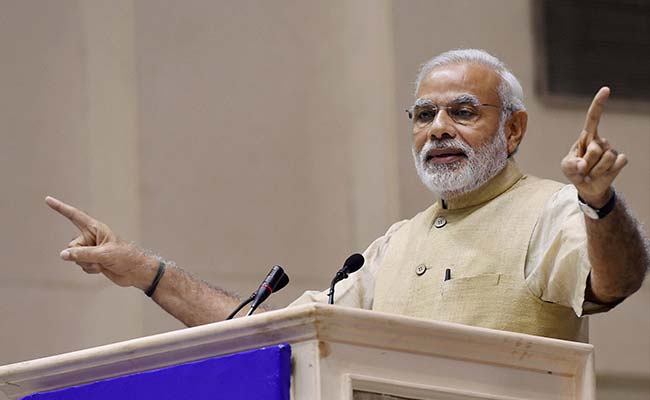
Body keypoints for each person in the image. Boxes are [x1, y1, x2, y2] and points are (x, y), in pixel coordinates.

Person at [46, 49, 649, 342]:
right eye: (424, 114)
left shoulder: (551, 209)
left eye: (463, 112)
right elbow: (272, 331)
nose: (438, 129)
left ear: (513, 129)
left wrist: (599, 203)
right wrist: (145, 270)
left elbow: (616, 282)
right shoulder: (395, 246)